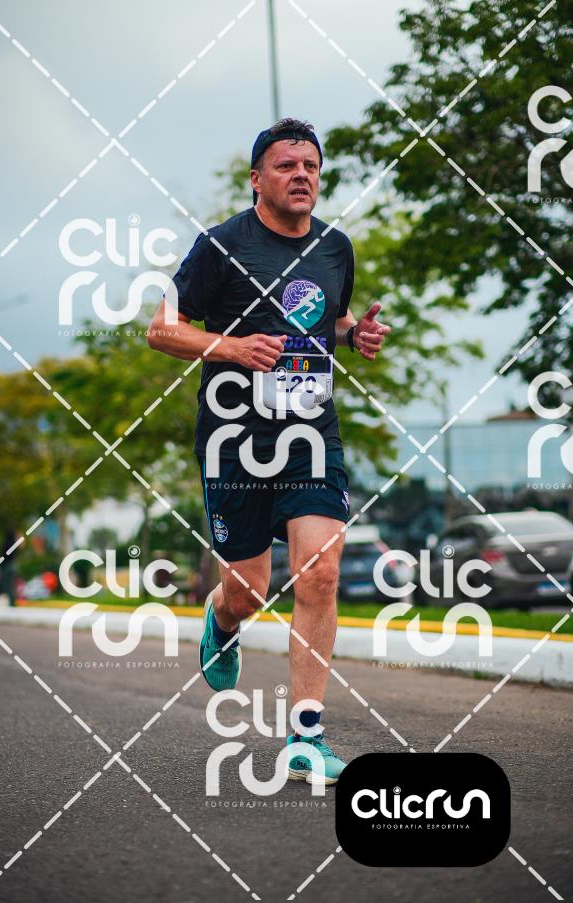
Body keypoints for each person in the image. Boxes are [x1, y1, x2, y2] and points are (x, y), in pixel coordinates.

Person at [148, 118, 390, 785]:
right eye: (286, 166)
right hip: (234, 441)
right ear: (256, 179)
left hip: (310, 435)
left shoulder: (335, 247)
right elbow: (161, 329)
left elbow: (330, 316)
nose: (301, 175)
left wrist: (355, 336)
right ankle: (222, 620)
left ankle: (305, 736)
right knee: (248, 590)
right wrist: (230, 347)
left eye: (310, 166)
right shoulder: (220, 246)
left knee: (319, 571)